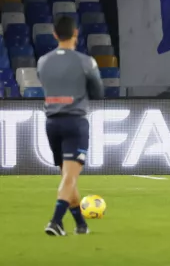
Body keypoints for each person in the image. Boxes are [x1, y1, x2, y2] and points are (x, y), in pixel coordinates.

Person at [36, 15, 104, 236]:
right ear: (76, 33)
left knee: (67, 176)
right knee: (70, 176)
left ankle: (81, 225)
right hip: (75, 122)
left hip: (52, 124)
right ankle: (55, 221)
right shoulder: (86, 61)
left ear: (55, 34)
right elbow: (98, 92)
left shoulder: (43, 61)